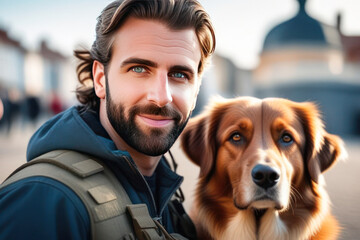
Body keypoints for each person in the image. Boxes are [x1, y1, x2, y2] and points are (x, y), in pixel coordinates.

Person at [0, 0, 215, 239]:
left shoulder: (162, 190)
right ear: (101, 79)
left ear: (196, 91)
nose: (161, 97)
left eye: (179, 74)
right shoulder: (44, 200)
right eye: (139, 69)